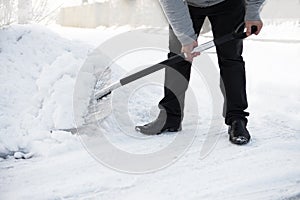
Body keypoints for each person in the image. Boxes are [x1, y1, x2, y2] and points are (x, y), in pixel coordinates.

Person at [135, 0, 265, 145]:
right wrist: (186, 38)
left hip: (229, 5)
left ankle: (237, 119)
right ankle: (170, 117)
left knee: (231, 60)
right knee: (178, 58)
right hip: (187, 5)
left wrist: (253, 12)